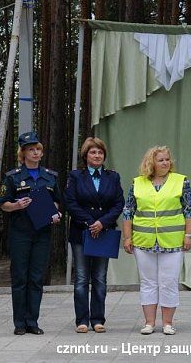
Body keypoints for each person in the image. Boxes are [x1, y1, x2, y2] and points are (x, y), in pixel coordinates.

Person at [122, 146, 191, 336]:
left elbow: (190, 210)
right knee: (148, 282)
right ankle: (149, 323)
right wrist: (127, 237)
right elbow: (128, 211)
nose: (166, 163)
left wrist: (189, 235)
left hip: (172, 241)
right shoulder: (137, 183)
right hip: (143, 240)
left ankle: (168, 323)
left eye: (167, 159)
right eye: (161, 160)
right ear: (151, 163)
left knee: (169, 281)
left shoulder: (181, 181)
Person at [0, 131, 62, 336]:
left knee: (36, 278)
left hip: (42, 233)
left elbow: (58, 201)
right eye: (31, 149)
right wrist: (16, 205)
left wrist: (56, 212)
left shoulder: (50, 177)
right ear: (23, 153)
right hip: (20, 233)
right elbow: (3, 204)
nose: (35, 153)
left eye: (38, 149)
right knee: (19, 277)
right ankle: (19, 323)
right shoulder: (13, 176)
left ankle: (32, 321)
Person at [64, 137, 124, 334]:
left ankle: (98, 319)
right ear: (85, 155)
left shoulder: (113, 177)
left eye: (100, 152)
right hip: (82, 232)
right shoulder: (75, 176)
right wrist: (91, 223)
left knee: (99, 278)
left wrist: (102, 223)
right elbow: (70, 203)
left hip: (104, 233)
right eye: (93, 152)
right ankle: (82, 320)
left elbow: (118, 204)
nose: (97, 155)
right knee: (81, 278)